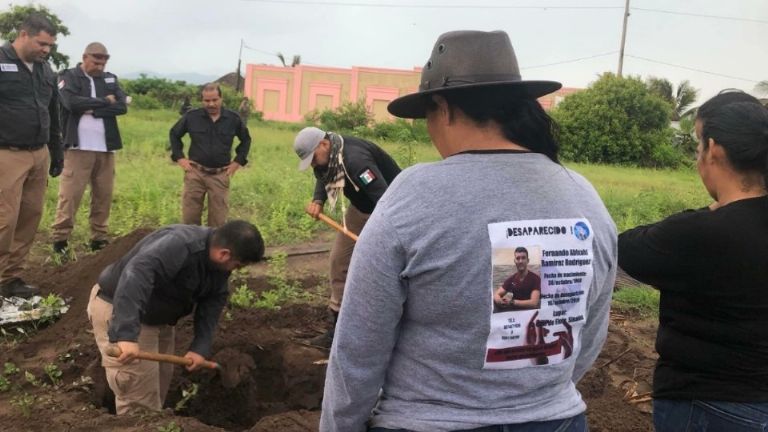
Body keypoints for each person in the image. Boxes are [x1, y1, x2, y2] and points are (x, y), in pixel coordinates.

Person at [320, 30, 617, 432]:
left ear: (443, 107)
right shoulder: (583, 196)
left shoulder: (412, 195)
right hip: (558, 420)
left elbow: (358, 349)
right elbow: (590, 329)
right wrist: (537, 397)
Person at [618, 90, 768, 432]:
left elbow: (625, 248)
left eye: (698, 145)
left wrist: (710, 211)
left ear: (714, 149)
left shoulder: (698, 233)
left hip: (710, 405)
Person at [87, 220, 265, 414]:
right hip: (123, 310)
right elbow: (136, 274)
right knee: (139, 403)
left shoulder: (217, 264)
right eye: (237, 266)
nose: (234, 271)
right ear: (224, 254)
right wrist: (126, 335)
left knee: (158, 389)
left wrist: (200, 347)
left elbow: (213, 300)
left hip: (159, 319)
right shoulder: (179, 245)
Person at [293, 126, 400, 348]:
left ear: (323, 144)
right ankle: (337, 328)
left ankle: (384, 327)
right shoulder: (330, 157)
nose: (313, 164)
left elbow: (386, 199)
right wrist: (318, 200)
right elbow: (322, 174)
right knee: (339, 262)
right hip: (361, 209)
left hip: (390, 211)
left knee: (382, 268)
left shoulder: (356, 161)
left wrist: (377, 238)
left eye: (313, 158)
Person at [0, 14, 63, 299]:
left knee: (30, 216)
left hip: (38, 153)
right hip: (6, 153)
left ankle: (9, 278)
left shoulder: (45, 69)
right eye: (42, 43)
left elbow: (53, 112)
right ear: (23, 34)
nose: (46, 50)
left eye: (50, 45)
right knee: (5, 219)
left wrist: (56, 149)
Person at [51, 42, 128, 256]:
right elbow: (70, 102)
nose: (100, 67)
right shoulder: (69, 76)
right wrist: (104, 101)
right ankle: (61, 239)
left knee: (103, 194)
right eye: (96, 62)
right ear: (85, 57)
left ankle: (98, 238)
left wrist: (93, 110)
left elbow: (122, 106)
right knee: (71, 194)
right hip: (78, 147)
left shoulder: (110, 78)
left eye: (103, 62)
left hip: (106, 148)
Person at [170, 83, 251, 227]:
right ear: (202, 100)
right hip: (195, 173)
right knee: (190, 219)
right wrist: (180, 158)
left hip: (220, 175)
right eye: (207, 101)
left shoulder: (233, 119)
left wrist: (237, 162)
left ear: (221, 99)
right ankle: (193, 248)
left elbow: (246, 140)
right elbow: (174, 134)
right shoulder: (192, 117)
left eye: (215, 100)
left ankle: (212, 248)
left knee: (218, 222)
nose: (211, 104)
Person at [493, 246, 541, 311]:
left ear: (528, 260)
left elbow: (534, 303)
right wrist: (500, 301)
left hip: (530, 314)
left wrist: (512, 302)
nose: (520, 261)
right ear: (515, 261)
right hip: (514, 314)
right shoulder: (512, 279)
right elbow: (496, 294)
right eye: (518, 258)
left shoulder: (535, 279)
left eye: (523, 258)